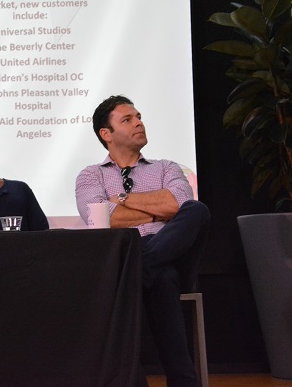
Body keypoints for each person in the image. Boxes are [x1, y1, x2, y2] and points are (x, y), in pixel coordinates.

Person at [75, 96, 210, 387]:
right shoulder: (90, 176)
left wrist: (123, 199)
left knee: (197, 211)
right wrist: (156, 212)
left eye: (139, 116)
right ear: (106, 134)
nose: (139, 122)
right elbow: (103, 219)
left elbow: (179, 205)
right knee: (161, 277)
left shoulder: (166, 167)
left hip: (159, 259)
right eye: (127, 119)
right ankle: (184, 380)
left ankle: (140, 268)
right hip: (139, 259)